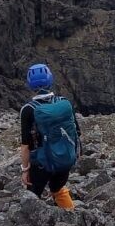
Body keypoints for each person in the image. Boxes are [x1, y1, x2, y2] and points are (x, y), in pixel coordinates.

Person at [20, 63, 80, 211]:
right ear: (50, 80)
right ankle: (72, 219)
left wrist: (25, 170)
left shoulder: (28, 110)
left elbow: (25, 145)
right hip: (64, 160)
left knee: (33, 196)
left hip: (41, 164)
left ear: (30, 84)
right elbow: (77, 132)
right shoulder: (64, 102)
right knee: (57, 188)